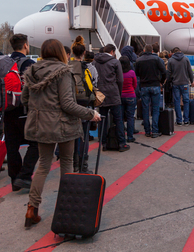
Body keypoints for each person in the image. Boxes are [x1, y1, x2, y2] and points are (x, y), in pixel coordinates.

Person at [21, 39, 100, 228]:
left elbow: (25, 99)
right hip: (64, 126)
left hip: (41, 126)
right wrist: (91, 114)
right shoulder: (63, 72)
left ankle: (32, 208)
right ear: (60, 53)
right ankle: (68, 205)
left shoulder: (32, 72)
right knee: (67, 163)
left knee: (42, 167)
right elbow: (68, 104)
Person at [4, 34, 39, 191]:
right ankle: (24, 175)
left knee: (12, 146)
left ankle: (14, 181)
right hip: (25, 111)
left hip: (8, 110)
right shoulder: (29, 63)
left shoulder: (5, 63)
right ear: (25, 45)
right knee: (36, 143)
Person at [94, 44, 129, 151]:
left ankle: (103, 143)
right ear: (112, 51)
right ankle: (121, 143)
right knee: (118, 119)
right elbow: (120, 80)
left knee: (102, 119)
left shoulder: (95, 62)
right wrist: (118, 92)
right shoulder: (115, 62)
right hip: (113, 93)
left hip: (101, 94)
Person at [69, 36, 94, 173]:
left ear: (72, 52)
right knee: (83, 134)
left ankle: (74, 163)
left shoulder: (67, 67)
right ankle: (83, 165)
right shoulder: (87, 67)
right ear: (84, 53)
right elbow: (91, 87)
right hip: (84, 102)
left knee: (72, 135)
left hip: (70, 102)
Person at [135, 44, 166, 138]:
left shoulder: (139, 60)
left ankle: (147, 131)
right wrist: (161, 82)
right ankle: (155, 131)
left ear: (144, 50)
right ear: (152, 51)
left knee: (145, 109)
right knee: (155, 109)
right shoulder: (156, 59)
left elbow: (137, 73)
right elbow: (164, 72)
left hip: (144, 86)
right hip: (155, 85)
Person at [167, 47, 194, 126]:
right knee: (186, 101)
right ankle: (186, 120)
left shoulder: (171, 60)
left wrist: (168, 82)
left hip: (175, 83)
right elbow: (190, 71)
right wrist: (192, 81)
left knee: (177, 101)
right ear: (180, 51)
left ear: (173, 52)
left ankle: (179, 120)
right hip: (185, 83)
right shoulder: (186, 59)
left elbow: (168, 73)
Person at [120, 56, 137, 143]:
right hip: (130, 95)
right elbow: (135, 84)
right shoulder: (131, 73)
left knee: (121, 118)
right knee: (130, 117)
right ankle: (130, 137)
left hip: (121, 96)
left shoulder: (118, 73)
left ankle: (122, 136)